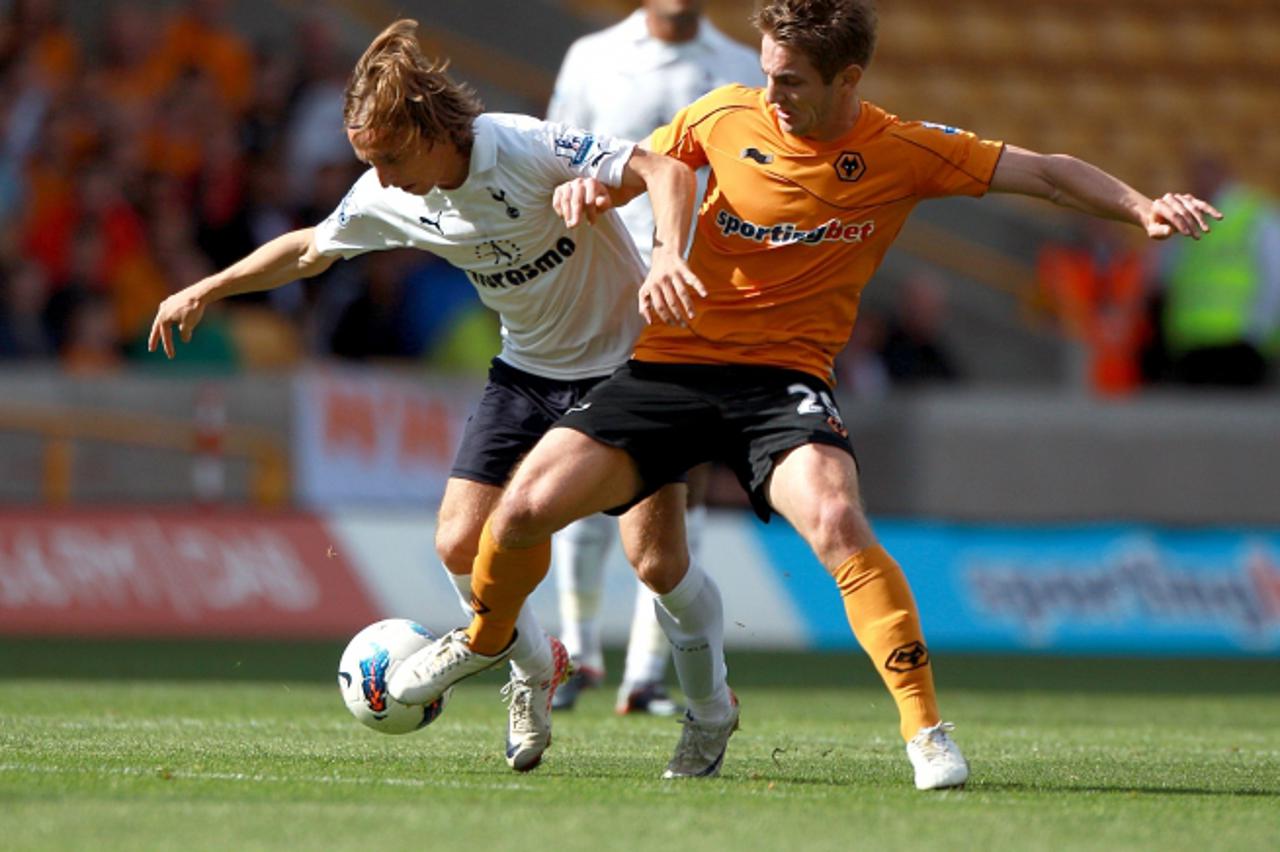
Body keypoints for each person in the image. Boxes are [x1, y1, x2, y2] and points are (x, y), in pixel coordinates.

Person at [389, 0, 1223, 790]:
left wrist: (1140, 206)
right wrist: (588, 191)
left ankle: (926, 734)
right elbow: (638, 173)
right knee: (528, 510)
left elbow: (1042, 174)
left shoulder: (902, 149)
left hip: (781, 383)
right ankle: (490, 646)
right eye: (768, 73)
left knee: (835, 520)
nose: (773, 94)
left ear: (847, 80)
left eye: (791, 81)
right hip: (668, 368)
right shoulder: (723, 114)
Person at [148, 18, 735, 777]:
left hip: (629, 367)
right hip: (525, 371)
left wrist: (663, 259)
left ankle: (712, 710)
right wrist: (210, 286)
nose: (383, 178)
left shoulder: (522, 147)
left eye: (390, 158)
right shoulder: (389, 192)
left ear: (430, 129)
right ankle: (532, 665)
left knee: (656, 564)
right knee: (460, 543)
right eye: (372, 163)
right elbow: (310, 248)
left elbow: (668, 172)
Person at [544, 0, 762, 716]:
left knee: (683, 473)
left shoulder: (738, 67)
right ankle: (576, 656)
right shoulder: (592, 57)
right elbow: (555, 165)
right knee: (585, 457)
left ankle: (644, 676)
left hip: (700, 290)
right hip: (608, 284)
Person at [1157, 154, 1280, 387]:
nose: (1197, 183)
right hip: (1190, 344)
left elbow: (1276, 277)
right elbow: (1163, 277)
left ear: (1223, 175)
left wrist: (1260, 329)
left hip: (1242, 343)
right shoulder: (1182, 219)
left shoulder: (1257, 216)